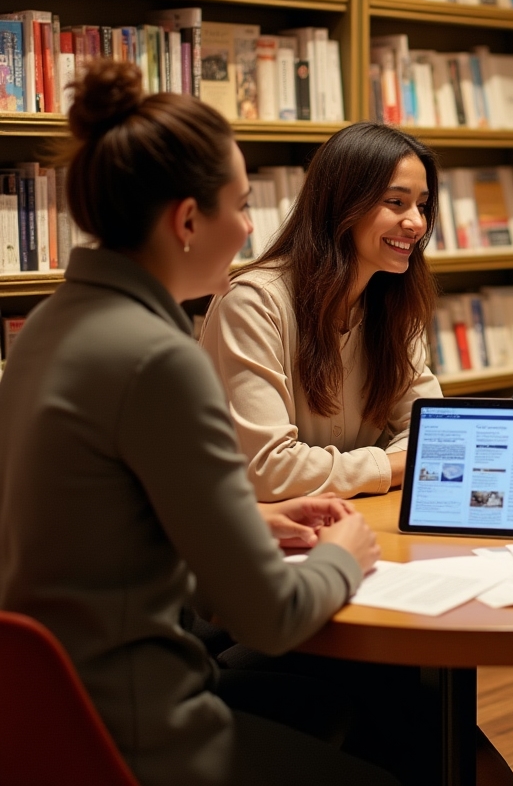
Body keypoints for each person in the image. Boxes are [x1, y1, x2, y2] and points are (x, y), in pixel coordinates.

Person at [0, 61, 395, 786]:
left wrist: (247, 516)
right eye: (242, 206)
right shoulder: (158, 357)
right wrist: (345, 551)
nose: (252, 228)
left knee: (348, 702)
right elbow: (271, 616)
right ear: (187, 220)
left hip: (43, 713)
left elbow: (94, 522)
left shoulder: (50, 325)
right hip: (139, 733)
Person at [200, 123, 442, 501]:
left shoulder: (395, 303)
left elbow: (436, 433)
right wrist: (400, 463)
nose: (417, 223)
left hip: (354, 518)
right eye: (396, 202)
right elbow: (270, 470)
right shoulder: (253, 303)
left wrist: (343, 472)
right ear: (343, 203)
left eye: (422, 205)